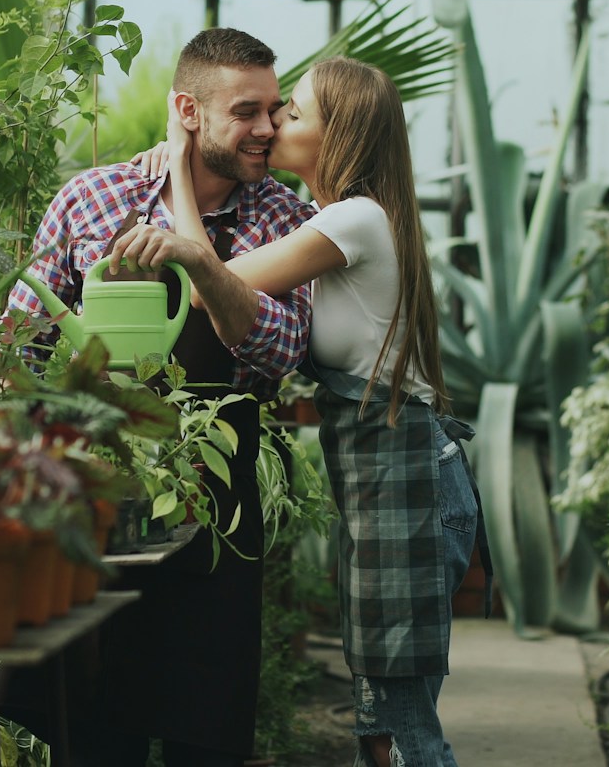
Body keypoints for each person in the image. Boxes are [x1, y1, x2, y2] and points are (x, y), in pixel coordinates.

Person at [110, 57, 480, 767]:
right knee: (378, 718)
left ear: (337, 136)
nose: (275, 124)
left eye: (294, 114)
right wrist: (180, 163)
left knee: (403, 725)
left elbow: (208, 285)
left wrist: (181, 170)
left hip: (406, 482)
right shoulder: (338, 219)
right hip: (385, 480)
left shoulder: (355, 220)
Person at [4, 27, 313, 767]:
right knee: (93, 730)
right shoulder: (92, 198)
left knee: (202, 731)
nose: (268, 129)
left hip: (216, 501)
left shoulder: (281, 217)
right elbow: (17, 341)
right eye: (247, 111)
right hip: (100, 490)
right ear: (189, 109)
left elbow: (278, 350)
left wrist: (197, 258)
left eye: (275, 110)